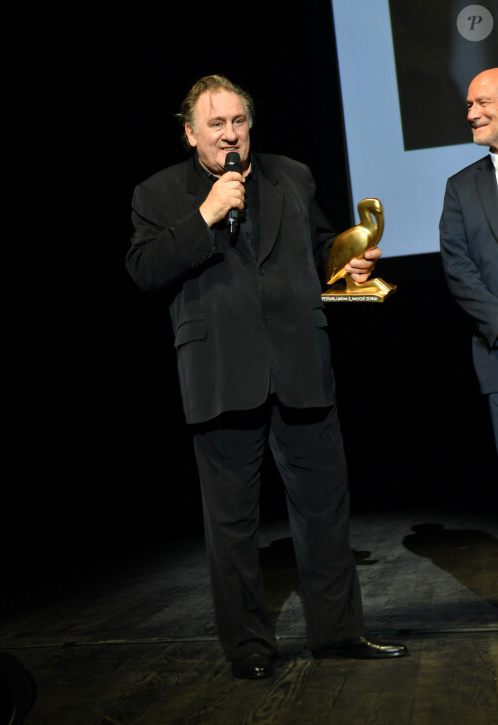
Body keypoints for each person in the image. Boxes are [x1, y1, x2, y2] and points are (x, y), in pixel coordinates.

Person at [126, 75, 408, 679]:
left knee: (325, 511)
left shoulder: (293, 176)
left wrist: (349, 260)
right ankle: (249, 649)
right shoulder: (157, 194)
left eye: (239, 122)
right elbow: (144, 270)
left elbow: (322, 245)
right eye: (217, 125)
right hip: (222, 374)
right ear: (190, 134)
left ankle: (339, 633)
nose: (231, 135)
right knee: (231, 527)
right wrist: (205, 215)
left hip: (301, 363)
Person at [440, 68, 498, 455]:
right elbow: (458, 268)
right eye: (468, 105)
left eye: (482, 103)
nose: (471, 114)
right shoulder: (460, 187)